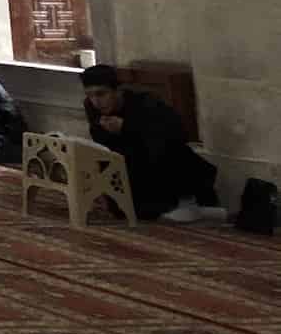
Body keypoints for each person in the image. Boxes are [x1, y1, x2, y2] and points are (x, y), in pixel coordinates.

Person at [82, 63, 221, 223]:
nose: (96, 102)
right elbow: (103, 144)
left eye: (101, 94)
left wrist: (126, 127)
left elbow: (176, 137)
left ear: (118, 90)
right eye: (90, 95)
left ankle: (188, 201)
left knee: (164, 150)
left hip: (160, 163)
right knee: (123, 210)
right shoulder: (92, 107)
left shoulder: (146, 103)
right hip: (129, 164)